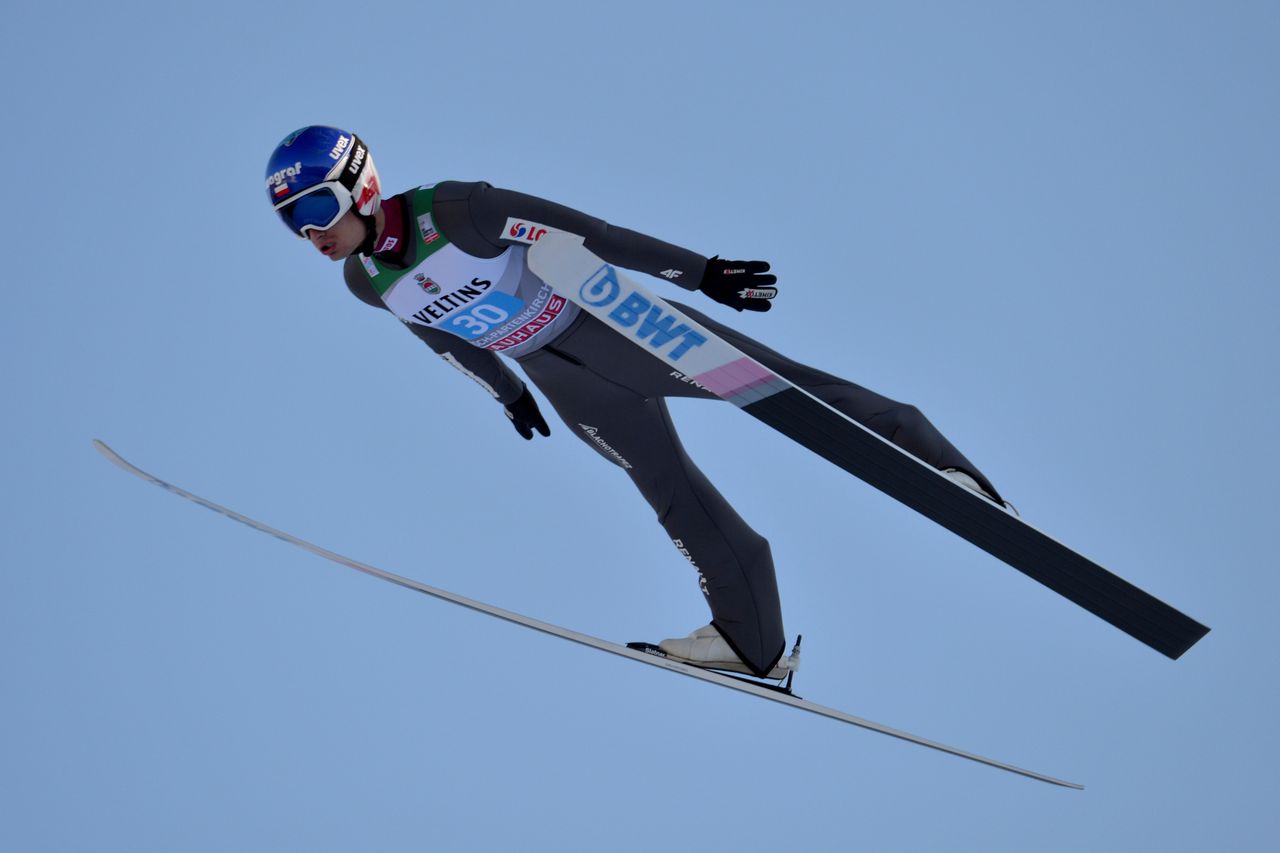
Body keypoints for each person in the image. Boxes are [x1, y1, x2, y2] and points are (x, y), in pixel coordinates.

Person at [264, 125, 1009, 679]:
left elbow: (593, 234)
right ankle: (755, 643)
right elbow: (441, 338)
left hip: (617, 329)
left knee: (783, 387)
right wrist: (506, 392)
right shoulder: (368, 285)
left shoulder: (460, 210)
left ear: (360, 184)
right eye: (294, 222)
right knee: (673, 497)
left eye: (319, 206)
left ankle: (934, 465)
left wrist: (700, 274)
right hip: (566, 383)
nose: (314, 233)